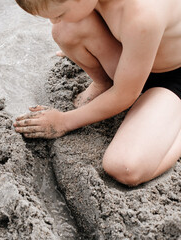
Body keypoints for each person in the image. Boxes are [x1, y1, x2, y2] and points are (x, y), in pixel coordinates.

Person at [13, 0, 181, 186]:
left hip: (172, 74)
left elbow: (125, 95)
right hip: (138, 54)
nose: (53, 21)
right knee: (66, 30)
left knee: (125, 167)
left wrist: (64, 121)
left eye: (58, 14)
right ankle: (104, 83)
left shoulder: (143, 14)